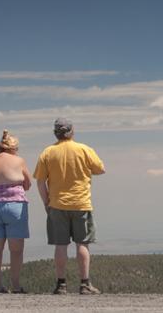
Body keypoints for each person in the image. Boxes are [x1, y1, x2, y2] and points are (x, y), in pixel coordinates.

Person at [33, 118, 105, 295]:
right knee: (83, 244)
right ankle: (85, 284)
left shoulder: (48, 152)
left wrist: (47, 203)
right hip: (81, 204)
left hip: (57, 205)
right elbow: (100, 169)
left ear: (56, 133)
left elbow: (41, 182)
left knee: (60, 245)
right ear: (72, 131)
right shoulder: (84, 149)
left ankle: (61, 284)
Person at [0, 130, 31, 294]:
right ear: (14, 148)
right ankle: (16, 286)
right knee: (16, 249)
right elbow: (28, 183)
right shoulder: (19, 160)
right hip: (14, 205)